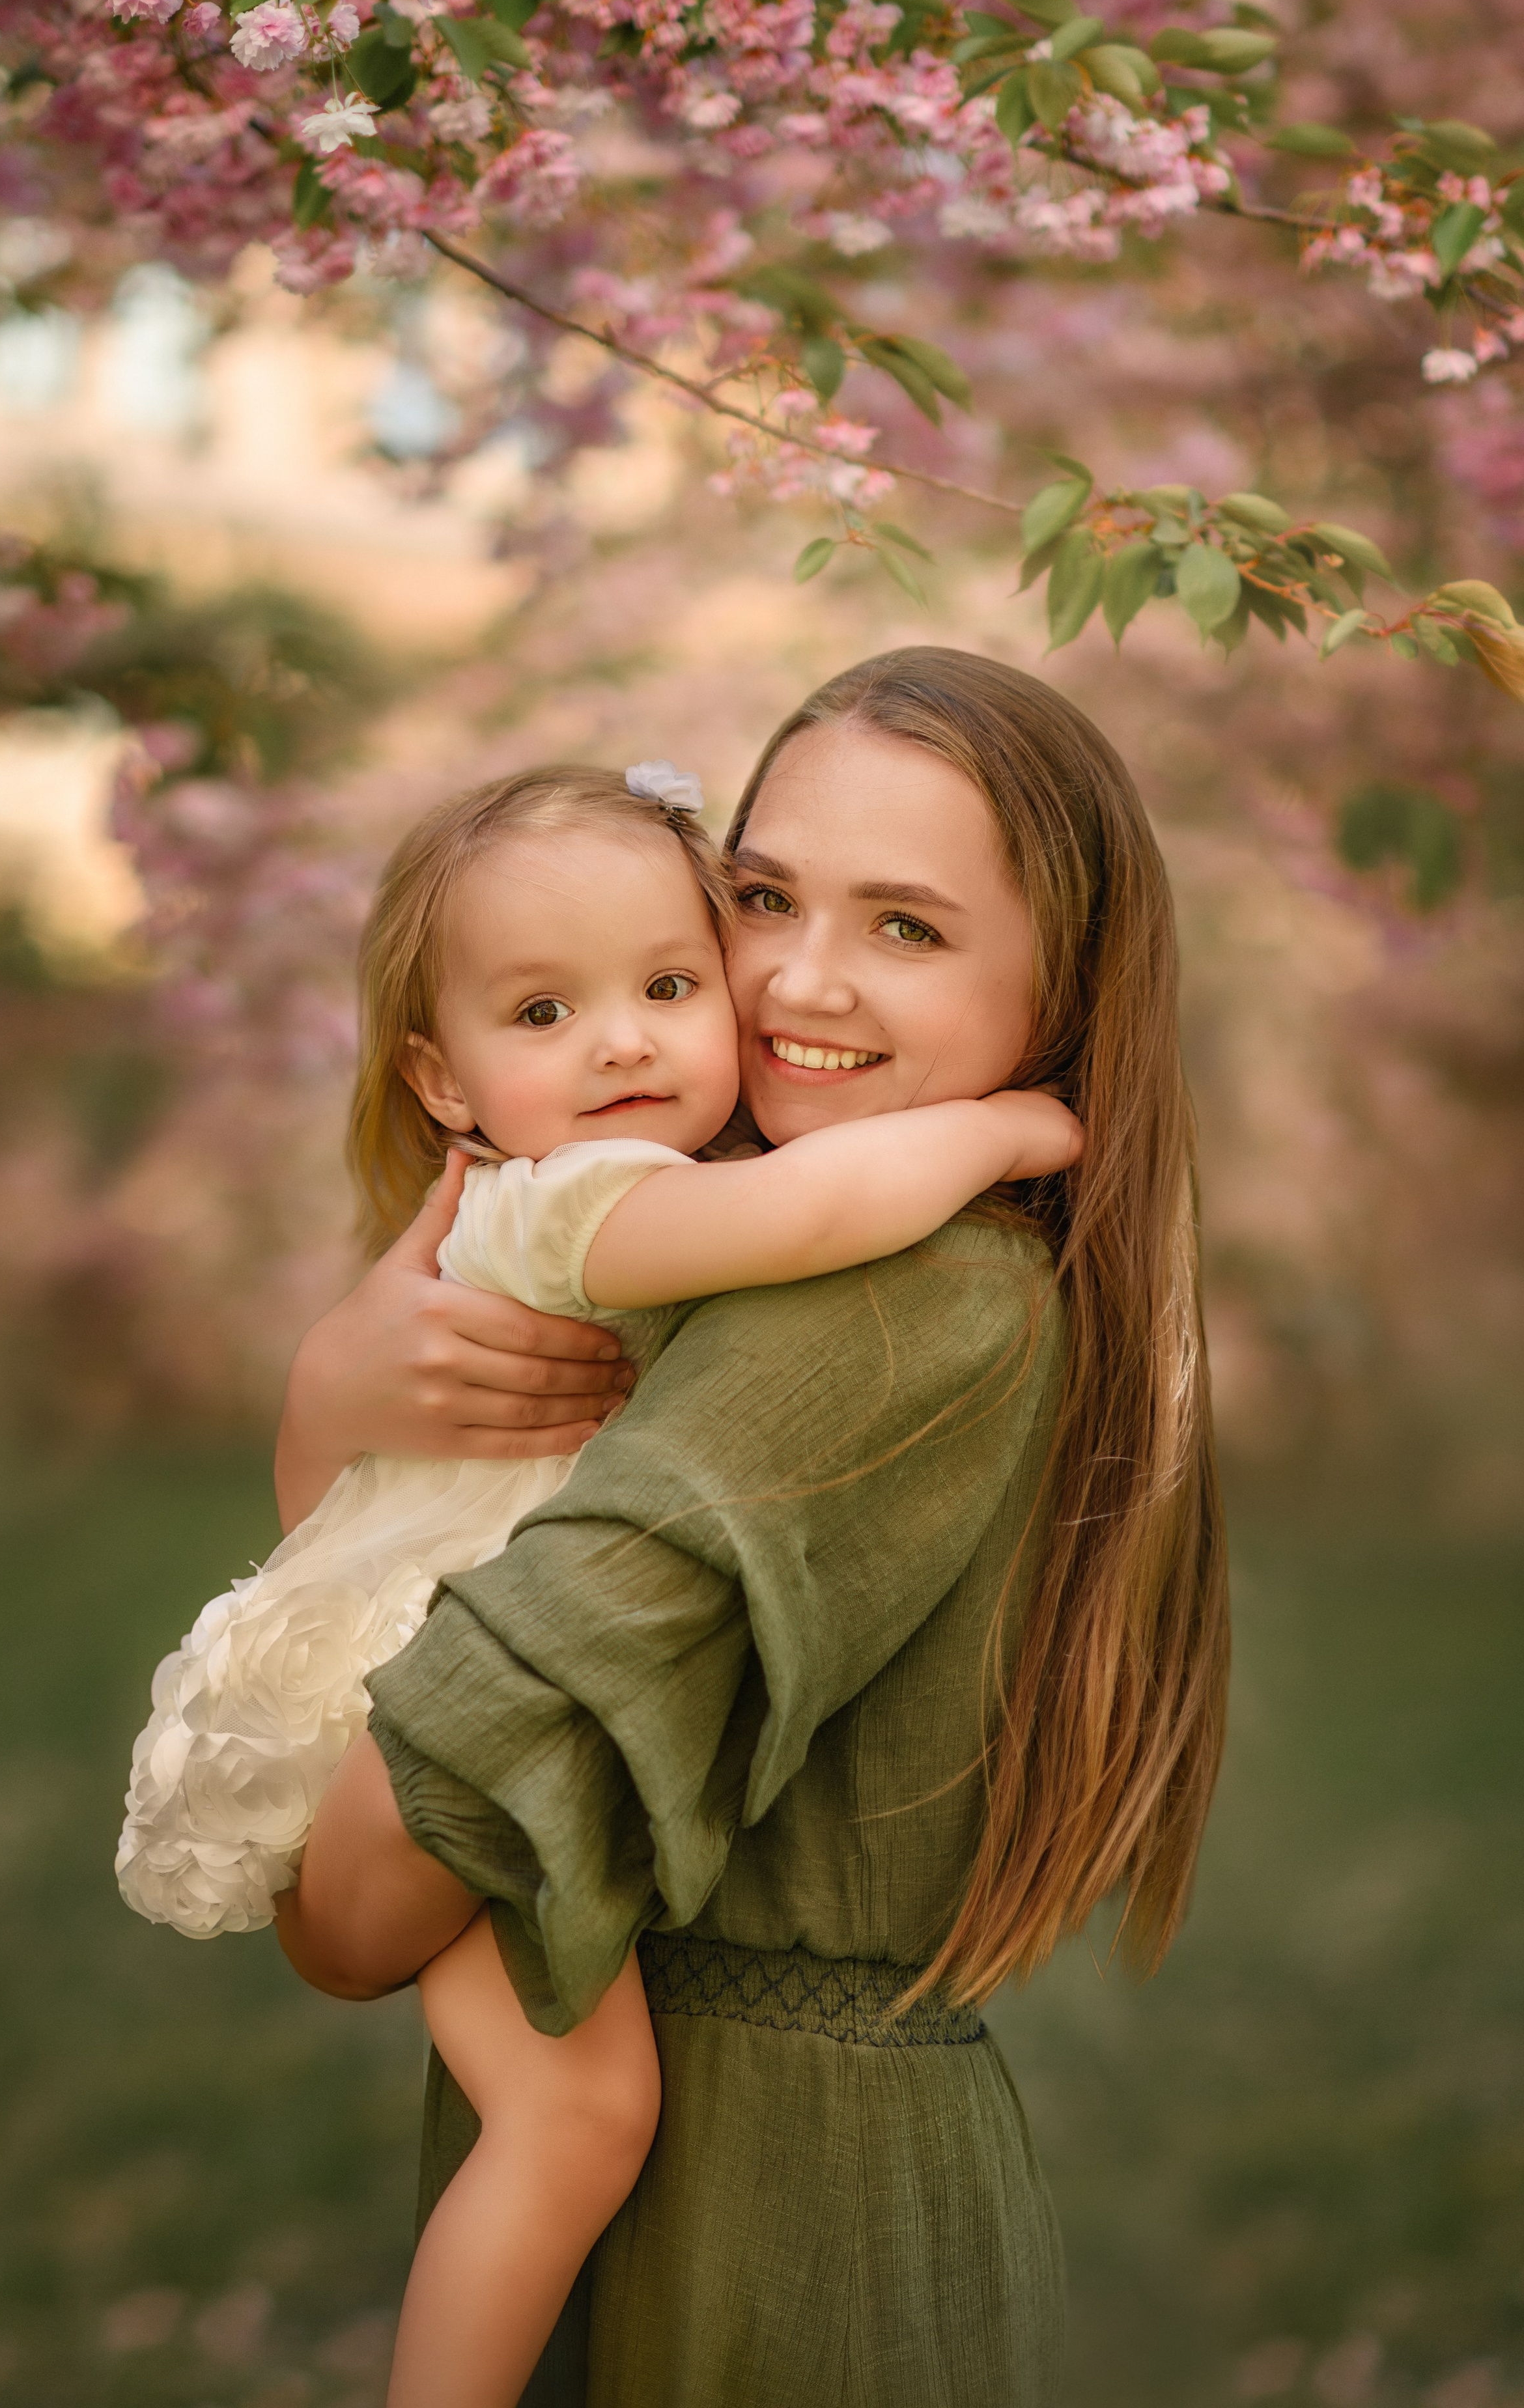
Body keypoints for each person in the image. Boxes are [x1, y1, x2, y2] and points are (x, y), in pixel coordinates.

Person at [275, 648, 1231, 2407]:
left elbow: (355, 1903)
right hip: (731, 2155)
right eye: (766, 897)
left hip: (765, 2220)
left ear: (1062, 991)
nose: (797, 978)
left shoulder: (892, 1303)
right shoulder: (725, 1258)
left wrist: (315, 1460)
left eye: (907, 927)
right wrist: (336, 1415)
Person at [118, 755, 1082, 2407]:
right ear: (441, 1080)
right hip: (418, 1709)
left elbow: (343, 1515)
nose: (624, 1043)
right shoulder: (583, 1203)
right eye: (545, 1012)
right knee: (571, 2123)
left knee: (564, 2121)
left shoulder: (606, 1204)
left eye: (667, 985)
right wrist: (1003, 1125)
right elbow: (814, 1212)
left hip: (405, 1688)